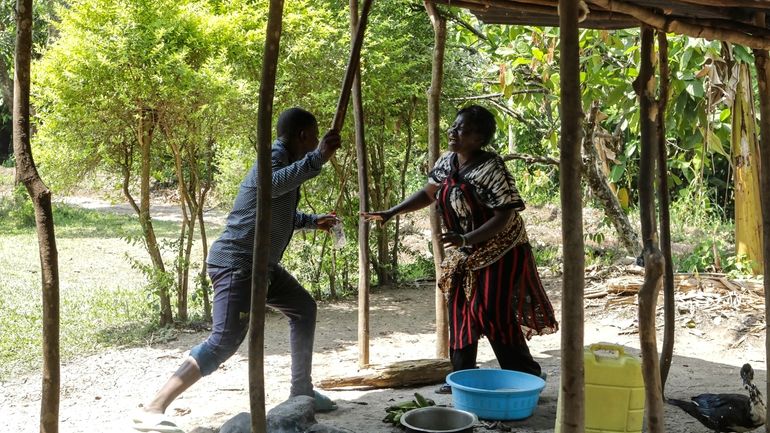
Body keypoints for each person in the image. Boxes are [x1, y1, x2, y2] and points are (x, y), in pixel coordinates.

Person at [132, 107, 341, 433]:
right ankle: (153, 407)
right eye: (314, 135)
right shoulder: (271, 161)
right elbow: (272, 187)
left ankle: (302, 390)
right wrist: (317, 158)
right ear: (303, 136)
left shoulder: (285, 164)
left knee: (303, 308)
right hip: (237, 264)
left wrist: (314, 221)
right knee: (224, 340)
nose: (317, 141)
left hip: (262, 268)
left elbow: (279, 210)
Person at [362, 105, 557, 394]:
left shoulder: (492, 168)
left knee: (492, 310)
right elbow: (428, 193)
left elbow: (504, 216)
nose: (453, 132)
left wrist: (467, 239)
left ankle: (526, 377)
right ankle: (462, 377)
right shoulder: (447, 162)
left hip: (501, 248)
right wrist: (392, 212)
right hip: (466, 249)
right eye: (454, 126)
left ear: (479, 139)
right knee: (461, 309)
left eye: (462, 129)